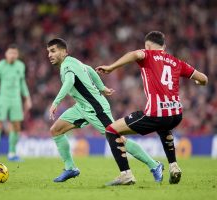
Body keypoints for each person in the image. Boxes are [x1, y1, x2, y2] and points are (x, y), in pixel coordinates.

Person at [96, 31, 208, 185]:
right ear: (164, 46)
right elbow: (203, 79)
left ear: (147, 45)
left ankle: (126, 174)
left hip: (156, 113)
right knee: (164, 126)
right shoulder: (177, 62)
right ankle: (174, 166)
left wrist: (111, 67)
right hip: (176, 115)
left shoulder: (147, 54)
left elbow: (135, 54)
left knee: (111, 130)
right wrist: (199, 83)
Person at [47, 38, 164, 183]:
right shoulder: (73, 62)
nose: (50, 55)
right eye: (48, 52)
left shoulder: (66, 66)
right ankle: (70, 168)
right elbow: (89, 69)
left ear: (64, 52)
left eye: (53, 51)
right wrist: (102, 87)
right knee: (56, 130)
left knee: (118, 138)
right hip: (81, 107)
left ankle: (154, 165)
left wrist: (56, 102)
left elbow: (70, 81)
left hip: (95, 107)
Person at [0, 44, 32, 162]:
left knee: (16, 125)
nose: (12, 55)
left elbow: (22, 83)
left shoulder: (20, 66)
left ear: (17, 55)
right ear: (6, 54)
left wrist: (27, 98)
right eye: (10, 53)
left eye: (15, 53)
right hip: (3, 99)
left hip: (16, 99)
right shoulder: (0, 66)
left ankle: (12, 153)